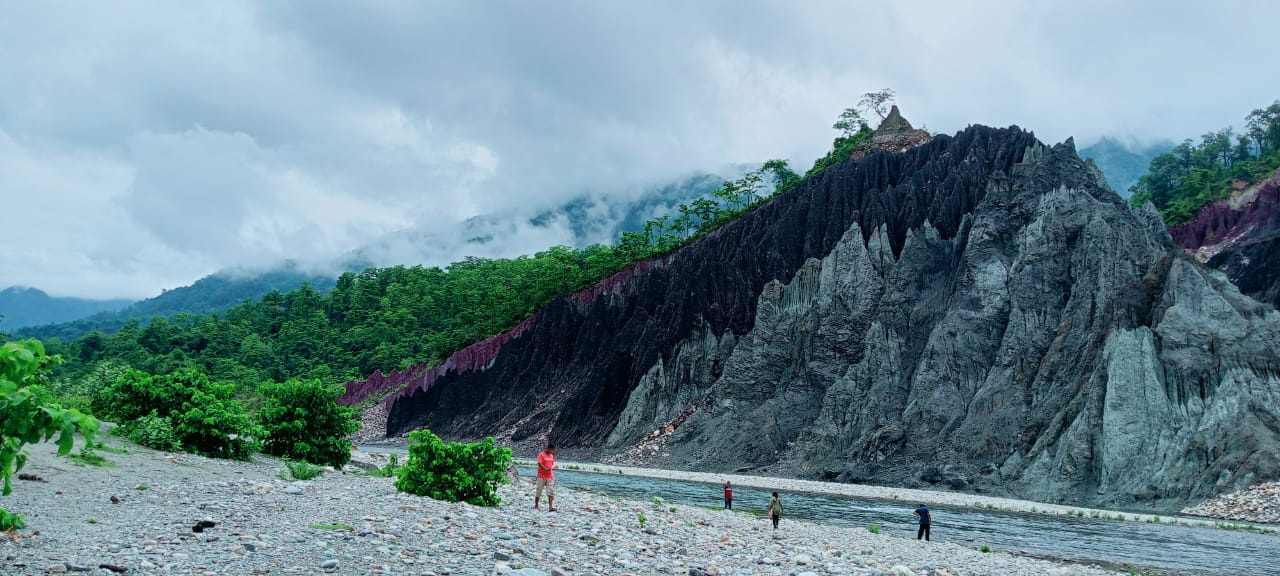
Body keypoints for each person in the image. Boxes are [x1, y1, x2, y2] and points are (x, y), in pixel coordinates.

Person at [534, 443, 557, 512]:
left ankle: (550, 507)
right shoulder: (541, 455)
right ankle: (536, 505)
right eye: (552, 450)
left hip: (550, 476)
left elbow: (553, 464)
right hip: (541, 476)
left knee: (550, 490)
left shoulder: (551, 455)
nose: (552, 451)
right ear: (548, 448)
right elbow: (539, 463)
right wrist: (545, 468)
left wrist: (553, 467)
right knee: (539, 491)